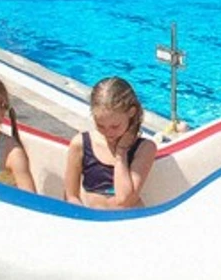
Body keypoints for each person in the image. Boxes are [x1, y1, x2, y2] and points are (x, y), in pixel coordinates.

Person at [64, 76, 157, 209]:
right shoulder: (81, 144)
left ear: (131, 112)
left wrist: (121, 154)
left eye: (115, 126)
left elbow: (125, 199)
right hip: (93, 219)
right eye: (100, 125)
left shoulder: (145, 148)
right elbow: (70, 196)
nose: (108, 132)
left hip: (129, 222)